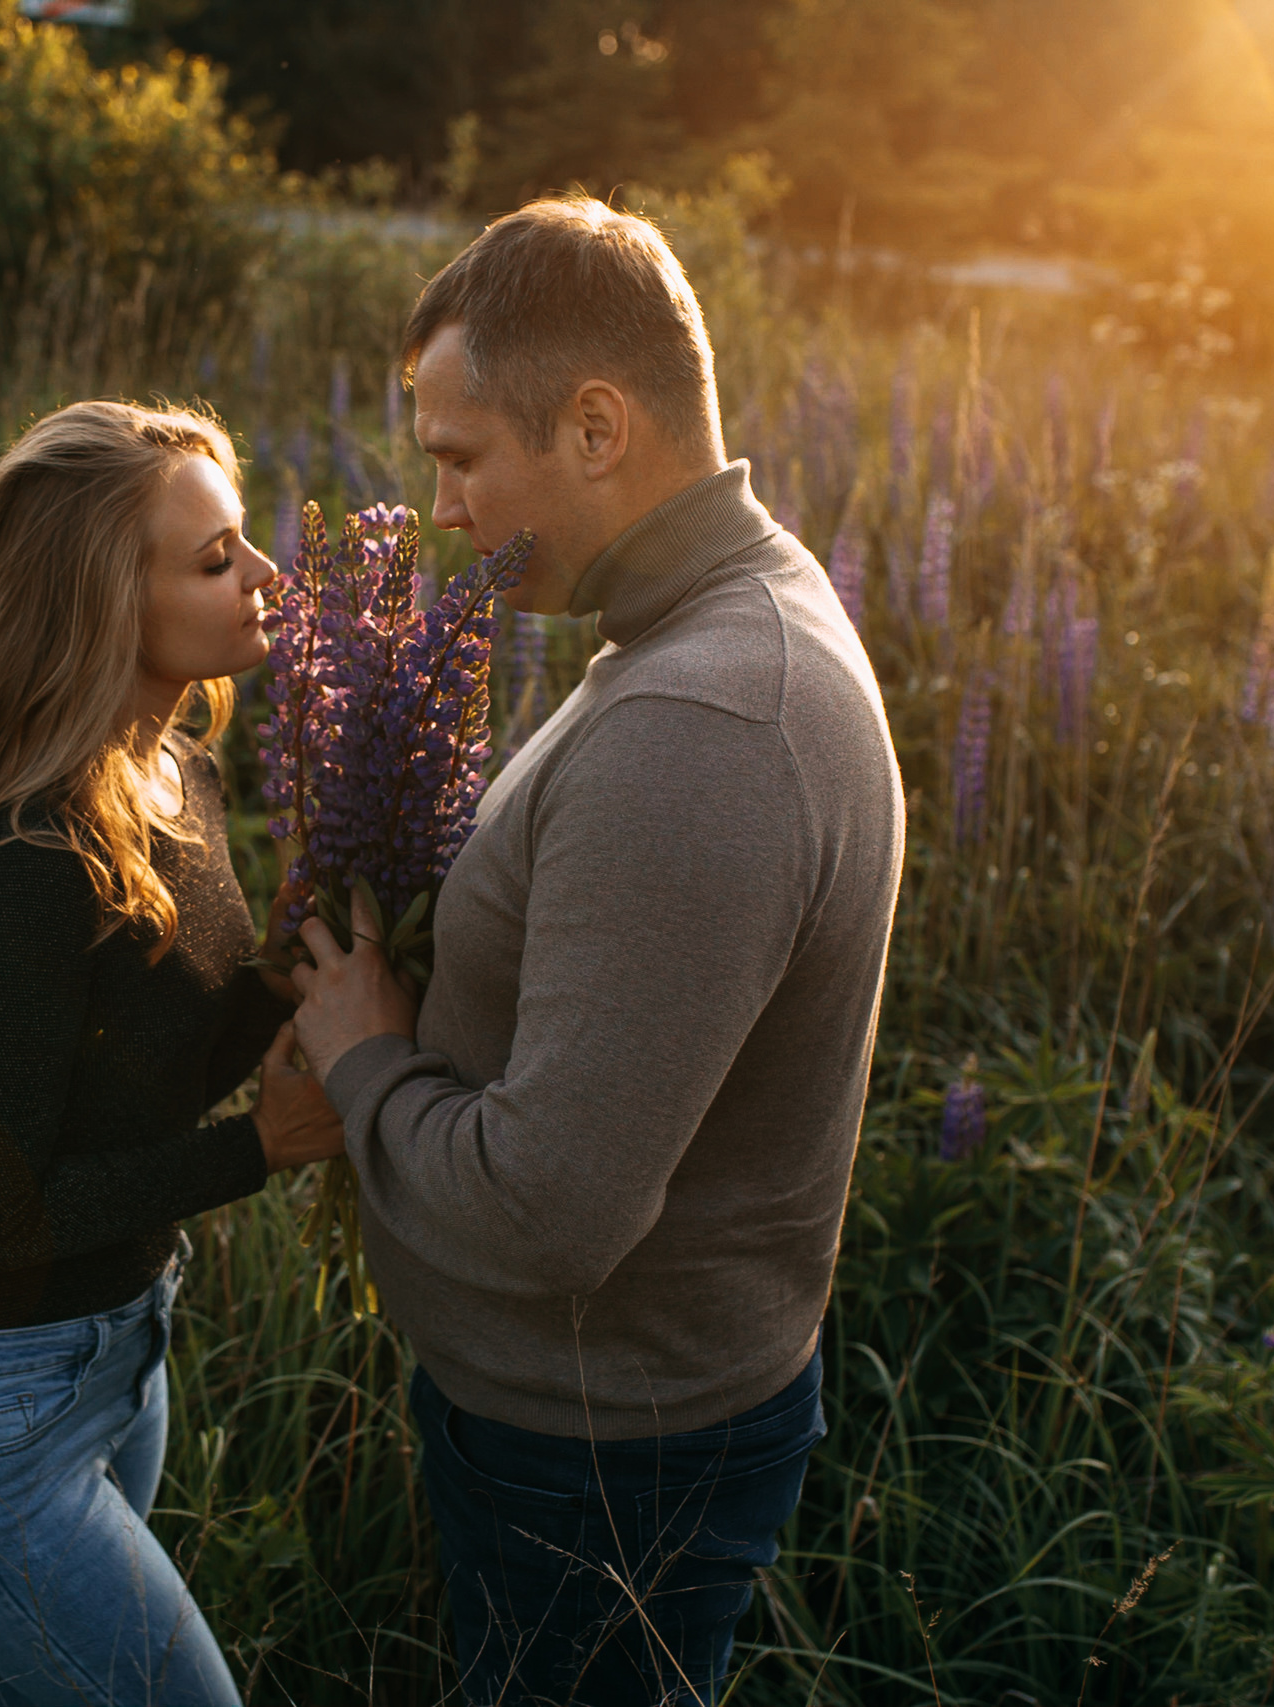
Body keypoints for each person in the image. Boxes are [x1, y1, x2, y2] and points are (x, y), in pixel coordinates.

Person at [288, 198, 906, 1705]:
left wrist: (366, 1060)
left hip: (599, 1460)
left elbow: (556, 1208)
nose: (440, 508)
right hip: (615, 1422)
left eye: (458, 456)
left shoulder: (699, 724)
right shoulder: (715, 620)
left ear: (594, 425)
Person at [0, 399, 343, 1707]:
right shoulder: (29, 858)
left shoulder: (173, 775)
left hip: (118, 1360)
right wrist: (260, 1149)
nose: (265, 578)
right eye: (215, 559)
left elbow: (155, 1066)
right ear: (97, 608)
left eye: (241, 543)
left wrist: (314, 939)